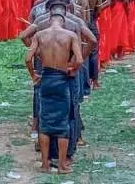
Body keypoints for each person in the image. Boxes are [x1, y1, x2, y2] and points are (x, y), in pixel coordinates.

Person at [25, 14, 82, 174]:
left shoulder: (39, 35)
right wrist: (72, 70)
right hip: (62, 79)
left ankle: (44, 164)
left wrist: (34, 75)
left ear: (49, 21)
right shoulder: (70, 35)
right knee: (62, 122)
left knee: (45, 122)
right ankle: (62, 165)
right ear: (63, 22)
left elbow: (28, 58)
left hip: (46, 79)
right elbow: (79, 59)